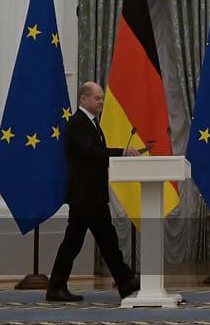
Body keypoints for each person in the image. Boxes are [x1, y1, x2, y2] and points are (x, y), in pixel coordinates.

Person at [47, 81, 141, 302]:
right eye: (97, 98)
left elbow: (95, 154)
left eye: (101, 98)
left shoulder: (91, 123)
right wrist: (121, 152)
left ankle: (125, 281)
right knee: (73, 242)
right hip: (83, 196)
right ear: (83, 99)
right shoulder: (77, 123)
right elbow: (90, 152)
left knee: (108, 240)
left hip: (94, 195)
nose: (101, 102)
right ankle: (55, 287)